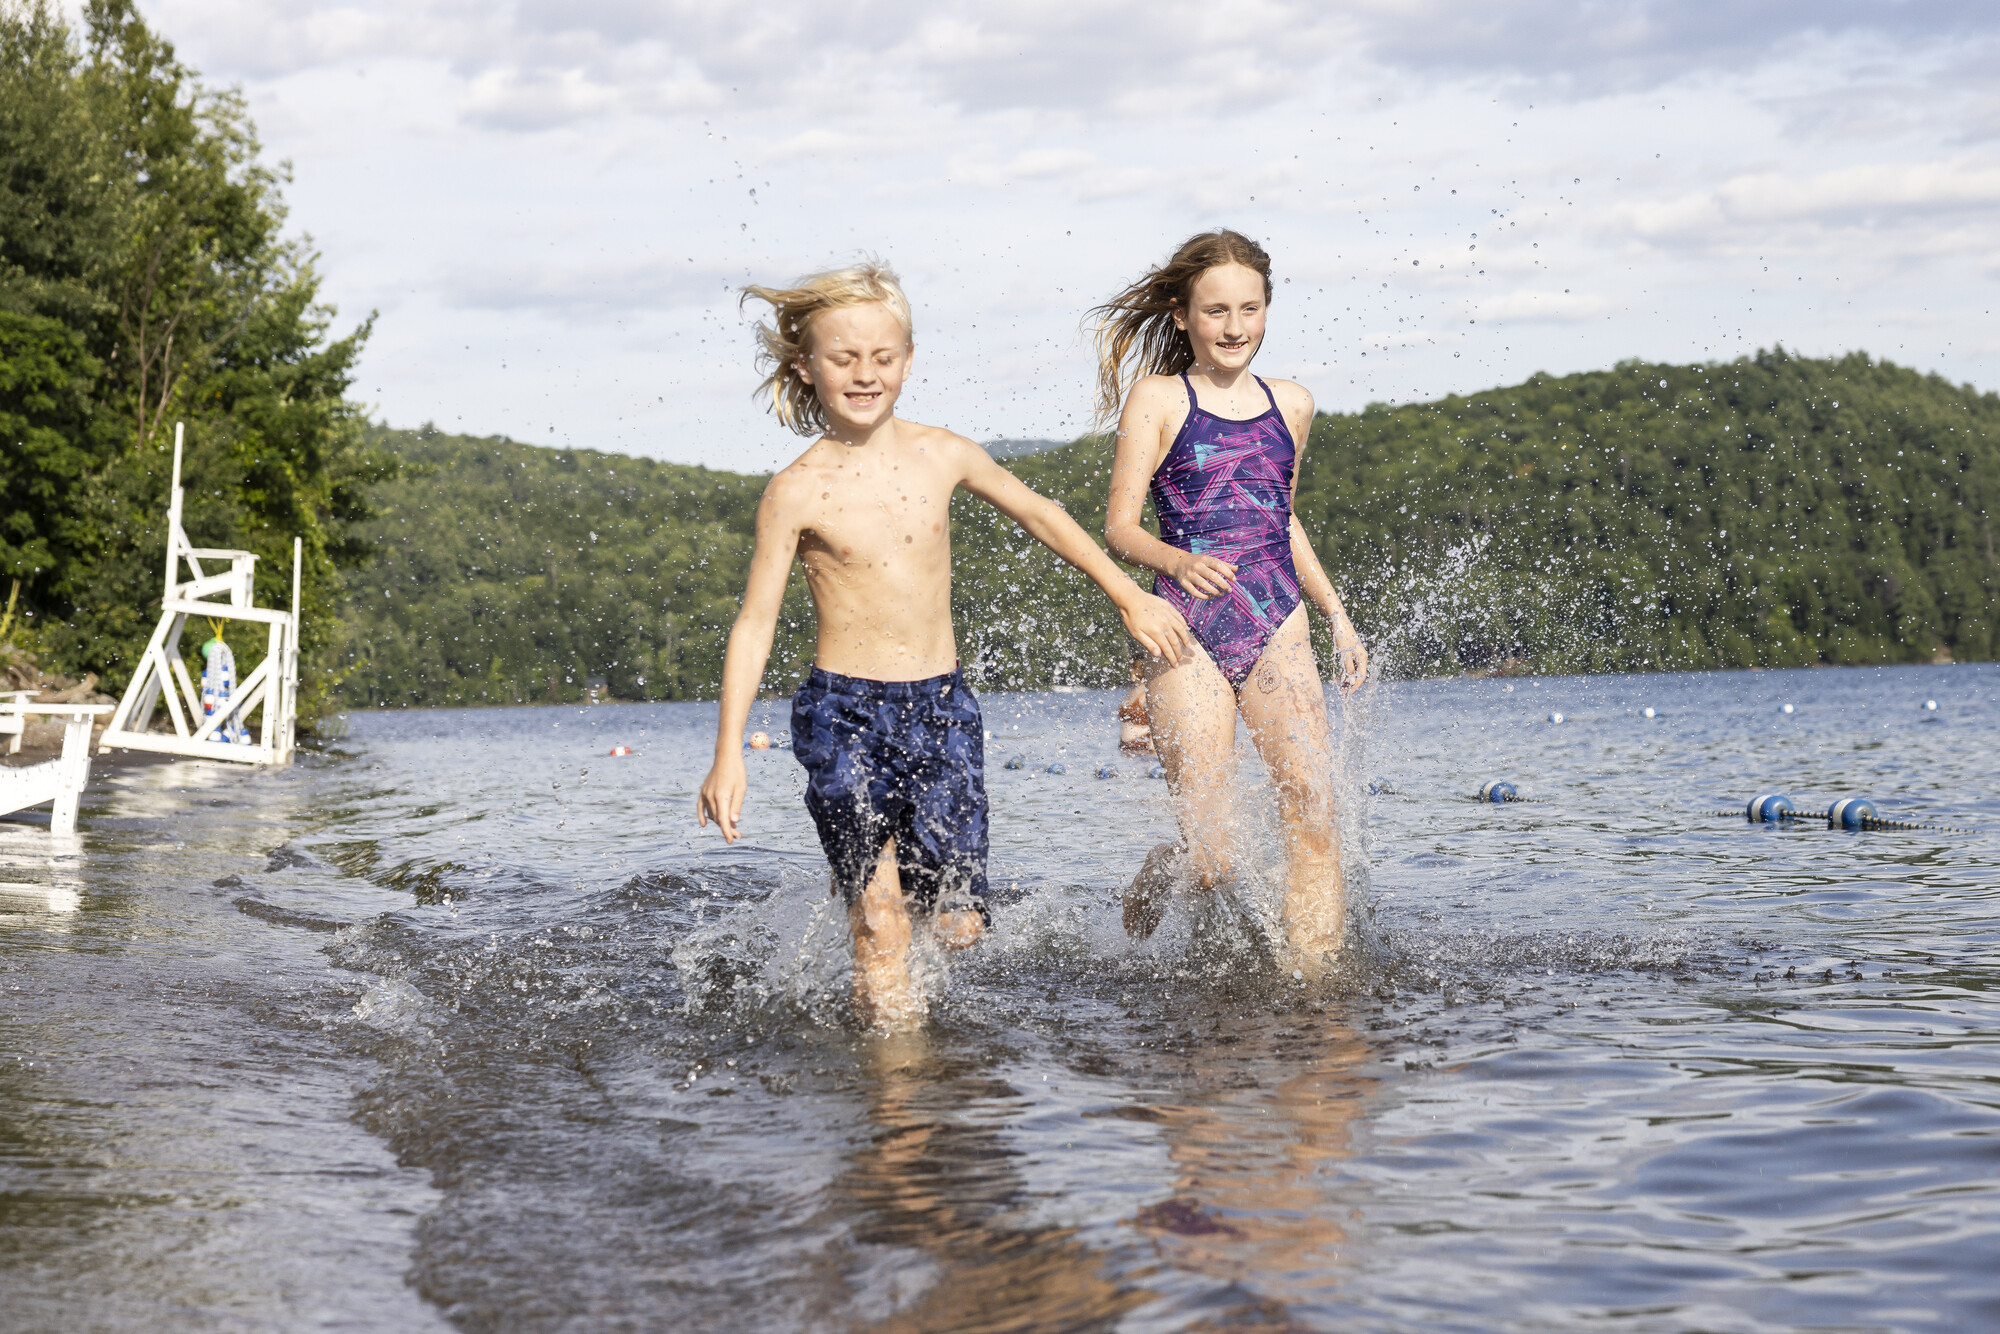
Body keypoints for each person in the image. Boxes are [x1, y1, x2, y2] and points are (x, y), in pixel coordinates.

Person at [697, 260, 1192, 1030]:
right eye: (843, 358)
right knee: (883, 925)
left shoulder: (943, 453)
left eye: (882, 357)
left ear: (908, 360)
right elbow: (755, 622)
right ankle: (897, 1095)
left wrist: (1127, 592)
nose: (865, 374)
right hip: (842, 716)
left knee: (960, 928)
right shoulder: (797, 490)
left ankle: (910, 1006)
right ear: (806, 367)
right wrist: (729, 749)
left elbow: (1043, 514)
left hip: (942, 711)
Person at [1093, 230, 1369, 974]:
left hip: (1278, 618)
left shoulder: (1294, 403)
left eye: (1250, 308)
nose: (1235, 326)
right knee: (1214, 861)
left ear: (1268, 309)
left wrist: (1338, 614)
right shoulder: (1158, 398)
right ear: (1182, 315)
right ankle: (1168, 862)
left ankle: (1315, 989)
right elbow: (1119, 526)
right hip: (1187, 631)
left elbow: (1282, 516)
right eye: (1216, 311)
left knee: (1313, 811)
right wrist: (1179, 559)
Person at [1118, 649, 1156, 754]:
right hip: (1128, 749)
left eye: (1134, 667)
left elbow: (1155, 722)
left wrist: (1152, 749)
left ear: (1143, 670)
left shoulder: (1148, 691)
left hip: (1143, 749)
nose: (1130, 670)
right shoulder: (1134, 690)